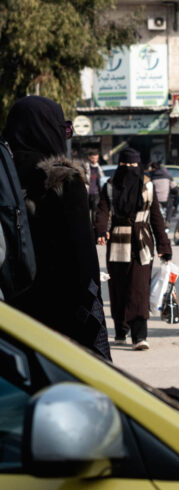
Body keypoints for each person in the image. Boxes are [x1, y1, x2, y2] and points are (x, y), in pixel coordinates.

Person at [1, 95, 111, 360]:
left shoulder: (4, 174)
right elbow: (82, 258)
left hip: (11, 302)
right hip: (59, 307)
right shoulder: (62, 178)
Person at [95, 149, 172, 351]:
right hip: (117, 244)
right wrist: (100, 230)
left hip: (142, 244)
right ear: (120, 165)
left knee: (139, 290)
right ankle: (121, 330)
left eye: (133, 166)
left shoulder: (148, 186)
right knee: (118, 289)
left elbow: (156, 217)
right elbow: (102, 210)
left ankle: (139, 336)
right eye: (125, 166)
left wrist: (164, 246)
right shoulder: (110, 186)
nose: (129, 170)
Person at [85, 149, 104, 223]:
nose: (95, 160)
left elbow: (102, 180)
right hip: (87, 192)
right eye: (93, 158)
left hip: (96, 193)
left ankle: (93, 226)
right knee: (86, 211)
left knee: (95, 212)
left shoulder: (99, 168)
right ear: (89, 157)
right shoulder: (86, 167)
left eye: (96, 158)